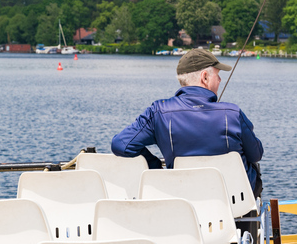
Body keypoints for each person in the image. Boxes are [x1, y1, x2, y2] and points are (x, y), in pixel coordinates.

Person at [111, 48, 264, 196]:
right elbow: (256, 155)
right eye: (217, 75)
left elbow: (121, 144)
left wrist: (155, 165)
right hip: (235, 200)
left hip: (182, 195)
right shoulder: (233, 113)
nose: (220, 80)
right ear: (204, 77)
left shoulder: (158, 111)